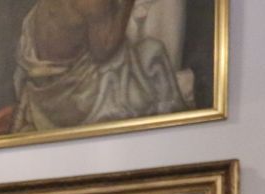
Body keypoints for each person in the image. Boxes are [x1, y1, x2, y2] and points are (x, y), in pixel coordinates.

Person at [11, 0, 187, 133]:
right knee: (153, 51)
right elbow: (104, 52)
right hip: (76, 99)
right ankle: (174, 130)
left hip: (43, 92)